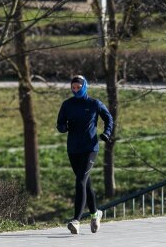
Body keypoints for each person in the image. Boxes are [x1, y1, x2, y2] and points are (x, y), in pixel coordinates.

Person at [56, 75, 113, 235]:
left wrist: (107, 133)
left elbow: (108, 118)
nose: (75, 90)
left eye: (78, 87)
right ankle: (96, 213)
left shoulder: (94, 103)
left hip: (90, 148)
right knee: (85, 183)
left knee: (80, 181)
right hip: (73, 149)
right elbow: (60, 123)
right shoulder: (67, 104)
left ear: (84, 86)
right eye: (73, 88)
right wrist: (63, 127)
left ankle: (76, 220)